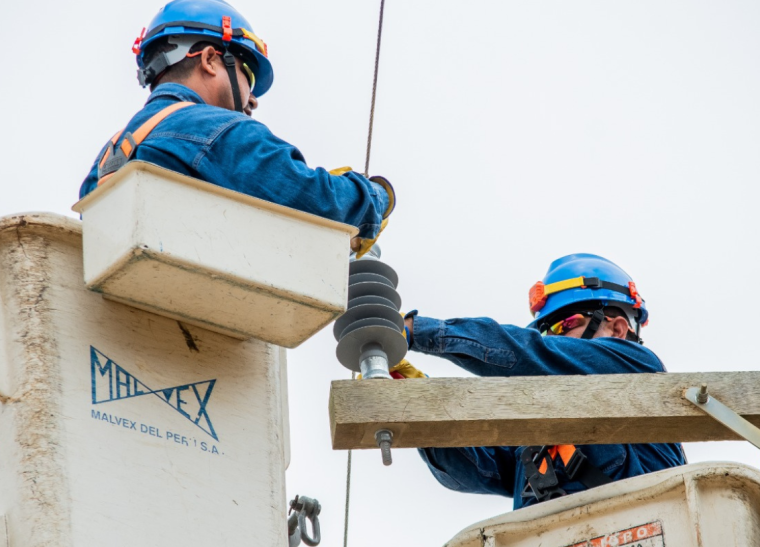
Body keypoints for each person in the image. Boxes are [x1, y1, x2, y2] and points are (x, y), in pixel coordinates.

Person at [80, 0, 392, 257]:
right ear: (210, 60)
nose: (252, 100)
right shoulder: (217, 131)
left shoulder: (106, 160)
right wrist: (375, 196)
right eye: (248, 76)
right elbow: (319, 201)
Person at [402, 253, 686, 510]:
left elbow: (534, 353)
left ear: (617, 329)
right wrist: (415, 399)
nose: (551, 339)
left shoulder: (636, 364)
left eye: (564, 326)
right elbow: (472, 469)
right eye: (545, 331)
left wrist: (418, 331)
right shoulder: (536, 434)